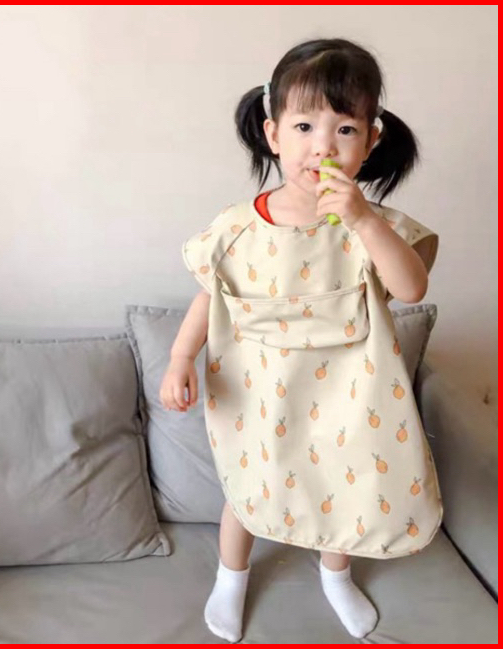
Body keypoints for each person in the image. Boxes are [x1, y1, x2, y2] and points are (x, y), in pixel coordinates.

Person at [159, 37, 441, 642]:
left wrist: (362, 218)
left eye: (346, 129)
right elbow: (210, 294)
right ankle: (230, 578)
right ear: (274, 134)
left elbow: (410, 286)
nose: (323, 145)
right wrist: (181, 357)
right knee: (249, 488)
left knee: (342, 486)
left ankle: (336, 576)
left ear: (371, 141)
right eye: (306, 126)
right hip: (261, 396)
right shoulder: (237, 227)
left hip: (348, 397)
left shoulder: (372, 226)